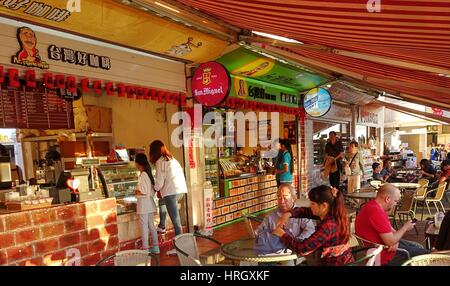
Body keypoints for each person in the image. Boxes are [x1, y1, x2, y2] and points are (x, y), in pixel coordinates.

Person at [272, 185, 354, 266]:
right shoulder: (332, 212)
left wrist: (282, 234)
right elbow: (305, 211)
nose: (310, 206)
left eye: (312, 204)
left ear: (324, 206)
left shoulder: (328, 225)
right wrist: (289, 214)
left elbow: (303, 248)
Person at [355, 183, 429, 266]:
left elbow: (391, 232)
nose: (395, 204)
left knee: (418, 246)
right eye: (396, 201)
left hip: (379, 248)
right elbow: (390, 241)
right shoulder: (376, 212)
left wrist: (394, 241)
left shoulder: (371, 206)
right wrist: (405, 227)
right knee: (429, 255)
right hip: (383, 255)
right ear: (387, 199)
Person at [149, 140, 188, 256]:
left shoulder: (160, 162)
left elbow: (159, 183)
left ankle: (179, 248)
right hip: (179, 190)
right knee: (165, 205)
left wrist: (153, 187)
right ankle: (162, 226)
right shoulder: (171, 158)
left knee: (176, 222)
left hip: (171, 192)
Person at [134, 153, 159, 254]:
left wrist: (136, 192)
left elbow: (143, 192)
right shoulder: (148, 174)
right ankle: (156, 247)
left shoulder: (143, 175)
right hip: (149, 203)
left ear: (138, 163)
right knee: (151, 225)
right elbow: (150, 191)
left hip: (144, 204)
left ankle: (145, 248)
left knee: (144, 226)